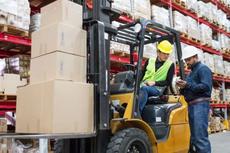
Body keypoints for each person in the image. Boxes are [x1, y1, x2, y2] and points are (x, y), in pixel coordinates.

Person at [176, 46, 212, 153]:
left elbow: (206, 87)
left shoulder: (203, 69)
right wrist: (182, 87)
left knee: (200, 138)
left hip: (200, 105)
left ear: (195, 57)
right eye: (186, 60)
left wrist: (187, 85)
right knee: (194, 138)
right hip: (192, 106)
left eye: (189, 59)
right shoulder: (191, 73)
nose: (187, 62)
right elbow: (190, 88)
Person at [138, 40, 175, 113]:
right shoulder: (149, 60)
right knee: (133, 91)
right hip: (143, 85)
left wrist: (155, 83)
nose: (166, 56)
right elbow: (142, 74)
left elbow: (168, 82)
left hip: (157, 89)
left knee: (144, 89)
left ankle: (137, 113)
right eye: (164, 53)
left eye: (168, 54)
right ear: (158, 52)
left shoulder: (170, 65)